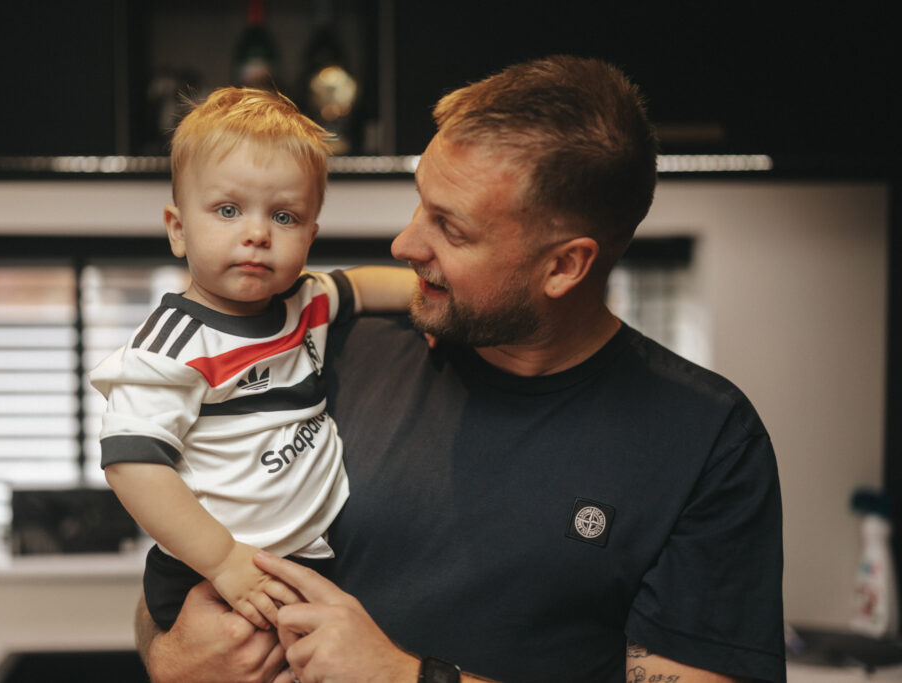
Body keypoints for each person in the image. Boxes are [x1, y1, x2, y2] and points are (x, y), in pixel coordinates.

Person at [137, 56, 786, 683]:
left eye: (450, 228)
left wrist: (405, 675)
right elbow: (181, 571)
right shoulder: (334, 342)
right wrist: (167, 655)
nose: (405, 243)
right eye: (422, 203)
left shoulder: (705, 441)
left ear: (564, 266)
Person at [91, 87, 415, 633]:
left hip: (311, 560)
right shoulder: (172, 346)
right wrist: (222, 560)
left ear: (310, 237)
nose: (257, 233)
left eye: (285, 217)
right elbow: (133, 465)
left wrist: (431, 297)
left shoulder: (307, 300)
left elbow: (361, 285)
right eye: (228, 210)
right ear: (178, 229)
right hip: (214, 570)